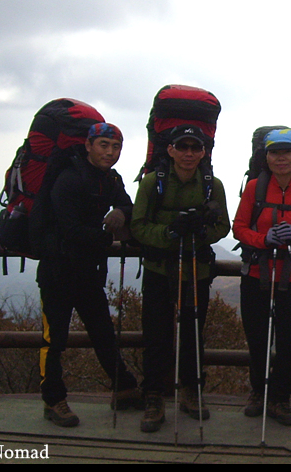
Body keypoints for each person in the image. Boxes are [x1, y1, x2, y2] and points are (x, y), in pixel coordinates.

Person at [36, 122, 141, 427]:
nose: (110, 152)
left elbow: (126, 204)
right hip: (57, 270)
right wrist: (109, 235)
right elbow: (71, 230)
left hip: (87, 271)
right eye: (104, 145)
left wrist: (121, 212)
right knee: (54, 339)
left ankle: (124, 388)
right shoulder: (69, 179)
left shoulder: (110, 179)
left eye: (116, 147)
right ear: (88, 146)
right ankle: (53, 400)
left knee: (103, 333)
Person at [131, 124, 230, 433]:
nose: (189, 153)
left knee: (193, 333)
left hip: (196, 271)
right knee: (156, 334)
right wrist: (170, 232)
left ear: (203, 152)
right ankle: (154, 396)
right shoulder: (153, 183)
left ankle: (191, 390)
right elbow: (137, 226)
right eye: (182, 147)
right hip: (160, 270)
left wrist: (202, 232)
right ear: (170, 150)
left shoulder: (213, 185)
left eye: (195, 148)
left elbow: (223, 226)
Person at [232, 128, 291, 426]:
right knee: (257, 338)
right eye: (275, 152)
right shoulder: (254, 187)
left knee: (288, 340)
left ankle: (281, 398)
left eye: (287, 152)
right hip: (256, 273)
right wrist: (263, 240)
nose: (281, 158)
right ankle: (259, 392)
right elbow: (239, 227)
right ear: (266, 156)